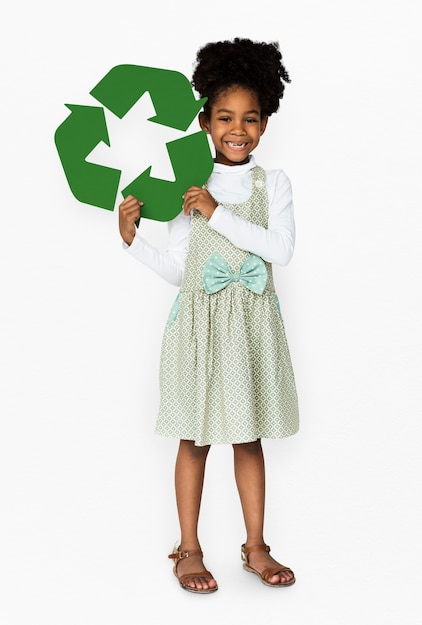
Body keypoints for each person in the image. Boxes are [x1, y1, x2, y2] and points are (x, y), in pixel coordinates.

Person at [118, 37, 299, 594]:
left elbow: (280, 250)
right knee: (194, 440)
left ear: (264, 125)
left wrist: (217, 212)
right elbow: (181, 271)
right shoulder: (184, 185)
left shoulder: (274, 184)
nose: (237, 129)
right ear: (204, 121)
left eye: (249, 118)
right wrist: (132, 241)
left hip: (250, 330)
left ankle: (255, 546)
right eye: (224, 117)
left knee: (248, 439)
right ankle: (189, 548)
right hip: (199, 330)